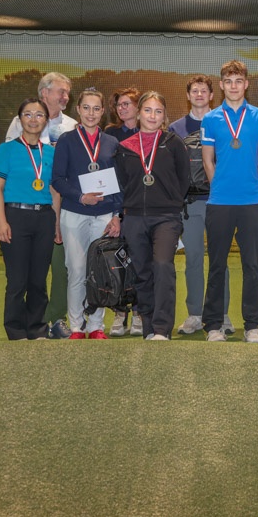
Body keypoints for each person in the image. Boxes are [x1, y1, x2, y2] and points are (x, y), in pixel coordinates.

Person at [200, 61, 258, 343]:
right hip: (219, 202)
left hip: (252, 202)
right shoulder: (210, 119)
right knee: (217, 265)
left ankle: (252, 325)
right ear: (221, 85)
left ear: (246, 84)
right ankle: (213, 325)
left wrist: (257, 190)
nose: (233, 86)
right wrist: (219, 186)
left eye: (238, 81)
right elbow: (208, 161)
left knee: (252, 265)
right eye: (228, 81)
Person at [114, 92, 191, 340]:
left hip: (166, 217)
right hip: (134, 218)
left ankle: (161, 328)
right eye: (147, 110)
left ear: (164, 116)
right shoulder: (124, 148)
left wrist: (171, 202)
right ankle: (148, 327)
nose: (152, 116)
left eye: (158, 111)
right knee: (142, 272)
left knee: (162, 266)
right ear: (138, 114)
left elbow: (184, 179)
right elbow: (121, 183)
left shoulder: (173, 143)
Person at [6, 72, 77, 339]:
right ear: (44, 92)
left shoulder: (72, 126)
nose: (66, 96)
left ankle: (55, 319)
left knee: (60, 268)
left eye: (67, 92)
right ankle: (26, 323)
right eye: (61, 91)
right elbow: (11, 164)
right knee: (25, 273)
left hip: (61, 207)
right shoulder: (19, 123)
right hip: (26, 209)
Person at [52, 89, 123, 340]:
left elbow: (119, 183)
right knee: (76, 269)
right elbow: (57, 179)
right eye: (86, 108)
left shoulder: (111, 143)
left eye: (96, 108)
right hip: (74, 213)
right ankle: (76, 327)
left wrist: (117, 214)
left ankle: (96, 326)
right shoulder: (66, 140)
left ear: (103, 112)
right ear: (78, 109)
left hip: (103, 216)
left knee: (100, 271)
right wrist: (81, 197)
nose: (91, 113)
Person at [0, 98, 56, 340]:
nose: (33, 119)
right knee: (17, 280)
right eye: (27, 114)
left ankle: (37, 328)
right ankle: (16, 330)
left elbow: (55, 192)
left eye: (39, 115)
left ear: (46, 121)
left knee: (38, 279)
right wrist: (1, 222)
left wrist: (57, 224)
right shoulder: (6, 149)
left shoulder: (51, 152)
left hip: (44, 218)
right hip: (15, 217)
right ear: (19, 120)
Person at [170, 75, 230, 335]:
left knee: (220, 259)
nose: (199, 95)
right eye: (194, 91)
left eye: (204, 91)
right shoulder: (176, 128)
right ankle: (195, 314)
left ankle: (222, 314)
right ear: (188, 95)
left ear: (211, 95)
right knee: (193, 258)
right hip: (190, 203)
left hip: (219, 202)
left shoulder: (223, 122)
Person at [104, 87, 141, 336]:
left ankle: (138, 312)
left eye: (127, 103)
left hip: (141, 207)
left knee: (139, 261)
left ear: (138, 106)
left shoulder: (148, 131)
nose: (122, 108)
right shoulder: (110, 134)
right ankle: (119, 313)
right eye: (119, 104)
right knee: (117, 262)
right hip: (117, 207)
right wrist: (115, 212)